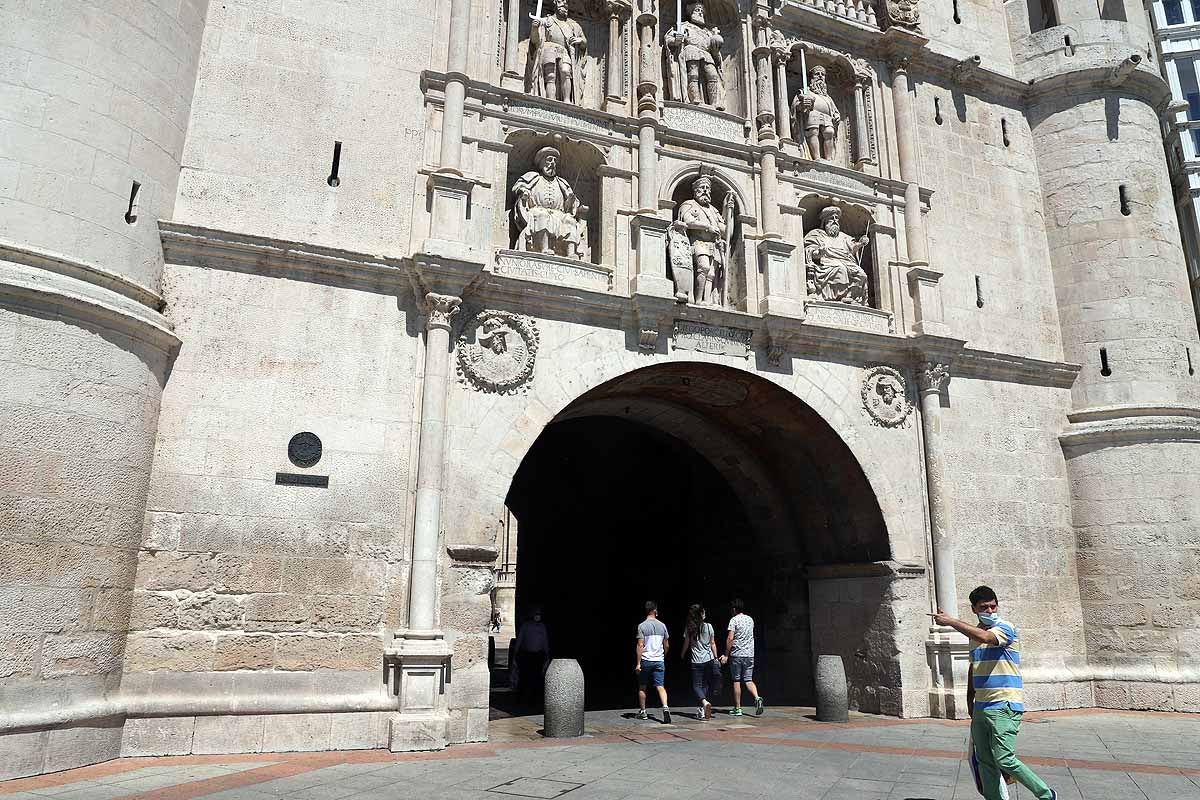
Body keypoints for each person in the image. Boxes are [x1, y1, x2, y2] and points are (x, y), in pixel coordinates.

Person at [930, 586, 1058, 800]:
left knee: (1005, 759)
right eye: (984, 607)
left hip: (1004, 704)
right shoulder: (974, 636)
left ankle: (1046, 795)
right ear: (974, 609)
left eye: (993, 606)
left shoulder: (1005, 628)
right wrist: (970, 700)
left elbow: (987, 638)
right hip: (982, 706)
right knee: (984, 760)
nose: (990, 611)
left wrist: (952, 622)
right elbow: (974, 667)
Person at [719, 598, 763, 716]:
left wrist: (726, 654)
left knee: (736, 680)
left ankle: (738, 708)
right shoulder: (750, 619)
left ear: (734, 609)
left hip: (737, 654)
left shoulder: (733, 620)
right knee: (748, 679)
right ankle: (757, 697)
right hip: (749, 654)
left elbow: (730, 638)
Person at [635, 600, 671, 723]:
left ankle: (643, 712)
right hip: (659, 660)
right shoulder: (662, 625)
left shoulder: (642, 626)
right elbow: (666, 645)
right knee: (660, 686)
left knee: (642, 686)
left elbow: (640, 645)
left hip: (646, 660)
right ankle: (665, 708)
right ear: (655, 610)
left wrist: (638, 663)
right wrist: (663, 656)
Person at [681, 603, 718, 720]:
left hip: (696, 661)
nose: (705, 614)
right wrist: (716, 657)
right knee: (705, 684)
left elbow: (686, 643)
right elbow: (713, 643)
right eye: (704, 612)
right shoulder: (709, 626)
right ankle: (701, 709)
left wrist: (682, 654)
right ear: (701, 614)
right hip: (709, 659)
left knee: (696, 686)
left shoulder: (689, 628)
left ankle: (704, 703)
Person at [512, 607, 550, 701]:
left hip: (538, 656)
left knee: (537, 676)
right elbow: (520, 640)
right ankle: (524, 696)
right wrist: (515, 653)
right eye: (537, 614)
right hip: (527, 655)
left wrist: (547, 654)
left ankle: (535, 696)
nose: (538, 616)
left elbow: (544, 641)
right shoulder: (526, 626)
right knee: (525, 676)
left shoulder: (542, 626)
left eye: (539, 614)